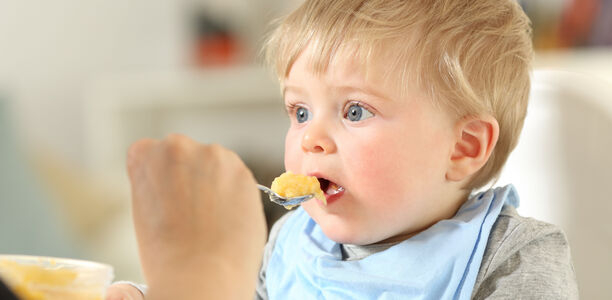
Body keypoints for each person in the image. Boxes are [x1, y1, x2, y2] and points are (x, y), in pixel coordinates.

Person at [108, 0, 579, 299]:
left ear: (463, 147)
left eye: (355, 111)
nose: (310, 138)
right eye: (299, 112)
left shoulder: (512, 255)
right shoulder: (292, 241)